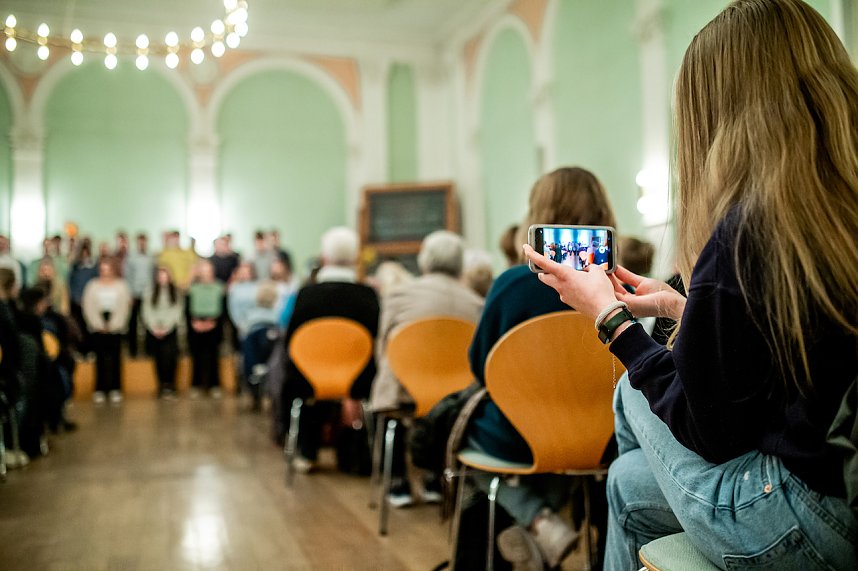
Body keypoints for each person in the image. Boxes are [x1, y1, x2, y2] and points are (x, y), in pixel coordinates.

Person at [523, 1, 858, 568]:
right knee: (627, 482)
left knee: (632, 391)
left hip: (807, 515)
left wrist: (614, 322)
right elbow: (799, 354)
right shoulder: (827, 208)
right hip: (843, 483)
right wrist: (688, 306)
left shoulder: (748, 225)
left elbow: (716, 433)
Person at [466, 167, 617, 569]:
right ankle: (545, 526)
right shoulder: (624, 287)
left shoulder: (511, 284)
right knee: (570, 448)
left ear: (539, 213)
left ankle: (538, 521)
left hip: (519, 436)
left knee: (460, 425)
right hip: (604, 436)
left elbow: (483, 368)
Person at [370, 230, 485, 506]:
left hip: (406, 391)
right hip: (456, 397)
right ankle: (436, 476)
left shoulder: (397, 296)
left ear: (424, 261)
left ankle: (397, 481)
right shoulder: (477, 303)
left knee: (386, 392)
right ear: (460, 265)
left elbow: (383, 345)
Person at [279, 227, 379, 471]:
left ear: (324, 258)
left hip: (309, 379)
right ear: (355, 260)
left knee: (291, 384)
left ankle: (306, 449)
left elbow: (291, 341)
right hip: (359, 381)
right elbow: (378, 339)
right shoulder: (368, 296)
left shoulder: (306, 295)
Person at [81, 256, 131, 404]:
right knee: (100, 359)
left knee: (116, 358)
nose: (105, 272)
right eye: (102, 269)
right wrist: (98, 324)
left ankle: (116, 388)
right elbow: (88, 306)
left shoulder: (122, 285)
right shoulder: (92, 285)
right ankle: (100, 388)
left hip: (116, 326)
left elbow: (124, 307)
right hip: (98, 326)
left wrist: (114, 324)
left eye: (108, 269)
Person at [142, 267, 184, 398]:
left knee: (171, 358)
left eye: (165, 275)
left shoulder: (175, 292)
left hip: (170, 330)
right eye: (160, 275)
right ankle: (161, 385)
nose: (162, 278)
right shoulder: (149, 292)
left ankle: (171, 384)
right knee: (158, 358)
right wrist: (154, 326)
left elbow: (177, 311)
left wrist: (167, 326)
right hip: (154, 330)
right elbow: (146, 311)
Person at [187, 260, 225, 398]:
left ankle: (215, 385)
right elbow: (187, 307)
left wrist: (212, 322)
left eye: (208, 270)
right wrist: (196, 322)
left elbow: (222, 308)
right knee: (196, 356)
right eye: (202, 270)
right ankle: (195, 385)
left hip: (214, 324)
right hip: (196, 323)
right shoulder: (193, 288)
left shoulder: (219, 287)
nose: (206, 273)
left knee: (213, 356)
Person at [122, 233, 154, 357]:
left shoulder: (151, 257)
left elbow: (153, 275)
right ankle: (133, 351)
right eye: (140, 241)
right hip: (134, 294)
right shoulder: (131, 257)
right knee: (133, 323)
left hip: (148, 295)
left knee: (148, 322)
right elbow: (127, 276)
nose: (142, 244)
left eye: (144, 241)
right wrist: (129, 294)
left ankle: (148, 350)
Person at [68, 238, 99, 356]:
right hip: (77, 302)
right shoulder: (75, 267)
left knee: (90, 326)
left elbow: (95, 283)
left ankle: (90, 350)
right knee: (78, 326)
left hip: (90, 302)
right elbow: (71, 283)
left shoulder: (94, 267)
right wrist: (76, 297)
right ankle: (80, 350)